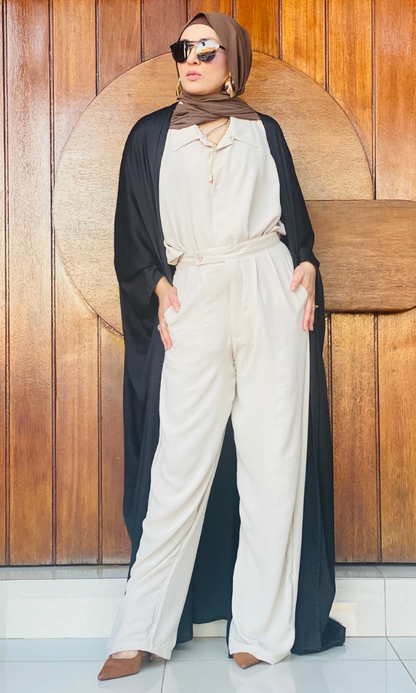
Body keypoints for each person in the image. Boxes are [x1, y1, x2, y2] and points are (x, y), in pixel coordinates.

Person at [98, 11, 346, 682]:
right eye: (185, 47)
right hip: (197, 289)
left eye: (207, 49)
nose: (192, 57)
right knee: (177, 467)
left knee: (272, 464)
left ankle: (262, 631)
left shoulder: (265, 131)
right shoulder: (151, 136)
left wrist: (305, 263)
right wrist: (157, 287)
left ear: (233, 60)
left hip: (269, 285)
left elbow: (295, 222)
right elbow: (131, 231)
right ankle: (140, 630)